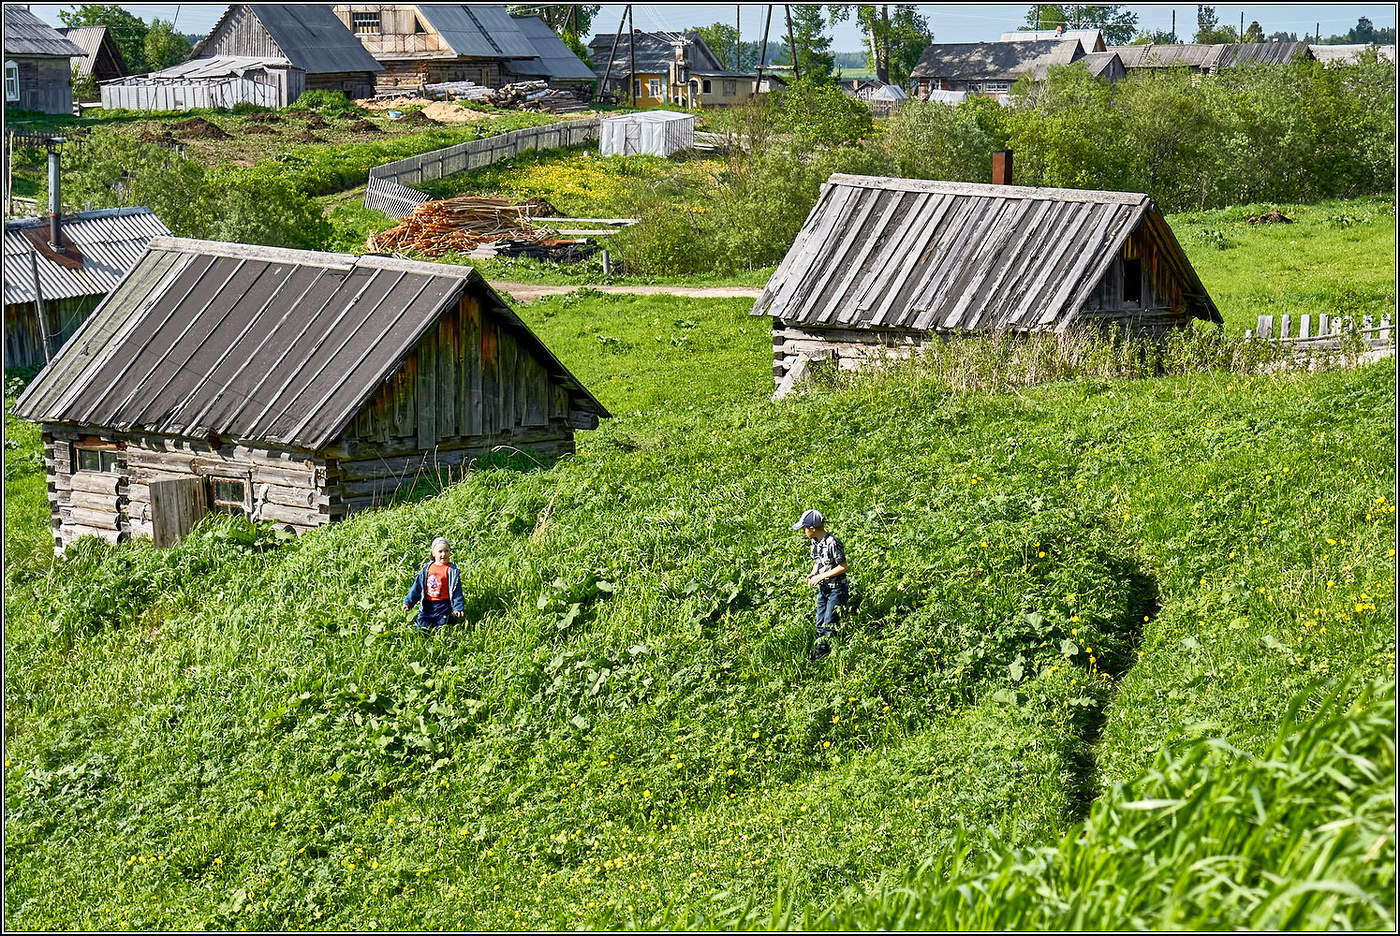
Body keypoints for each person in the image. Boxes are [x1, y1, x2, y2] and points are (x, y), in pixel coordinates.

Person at [793, 509, 848, 660]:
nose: (804, 531)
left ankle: (825, 656)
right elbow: (818, 561)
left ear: (812, 528)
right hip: (823, 588)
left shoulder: (833, 543)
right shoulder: (815, 541)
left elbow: (843, 566)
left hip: (837, 589)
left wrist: (821, 576)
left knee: (829, 623)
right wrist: (814, 572)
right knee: (819, 622)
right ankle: (818, 651)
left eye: (805, 528)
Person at [403, 536, 465, 633]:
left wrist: (458, 607)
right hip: (427, 604)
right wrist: (408, 602)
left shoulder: (452, 571)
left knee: (442, 628)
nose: (444, 554)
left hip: (444, 604)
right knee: (422, 627)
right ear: (433, 553)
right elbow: (417, 587)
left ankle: (445, 630)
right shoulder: (427, 569)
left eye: (447, 551)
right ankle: (423, 635)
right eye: (440, 551)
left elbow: (457, 591)